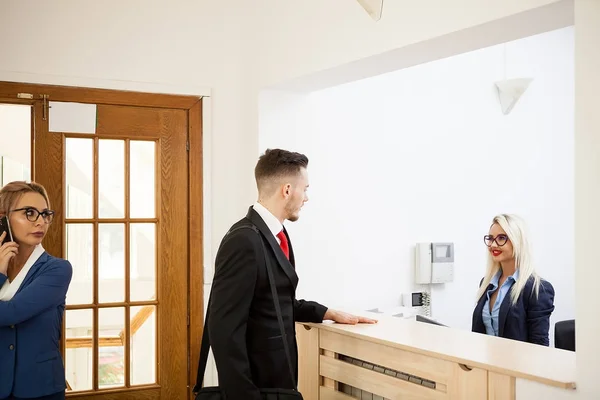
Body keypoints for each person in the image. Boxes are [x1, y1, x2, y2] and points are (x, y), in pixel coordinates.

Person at [207, 149, 376, 399]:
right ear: (287, 190)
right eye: (304, 189)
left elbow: (272, 301)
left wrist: (326, 313)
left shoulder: (277, 235)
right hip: (255, 389)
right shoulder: (244, 240)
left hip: (278, 382)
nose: (306, 198)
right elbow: (223, 329)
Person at [0, 181, 73, 400]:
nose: (40, 221)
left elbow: (11, 313)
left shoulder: (57, 269)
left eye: (45, 214)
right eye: (29, 213)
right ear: (3, 219)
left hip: (40, 389)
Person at [471, 214, 554, 346]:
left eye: (502, 238)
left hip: (517, 365)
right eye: (490, 239)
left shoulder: (537, 289)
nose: (493, 244)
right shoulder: (486, 284)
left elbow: (539, 345)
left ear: (518, 241)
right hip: (485, 364)